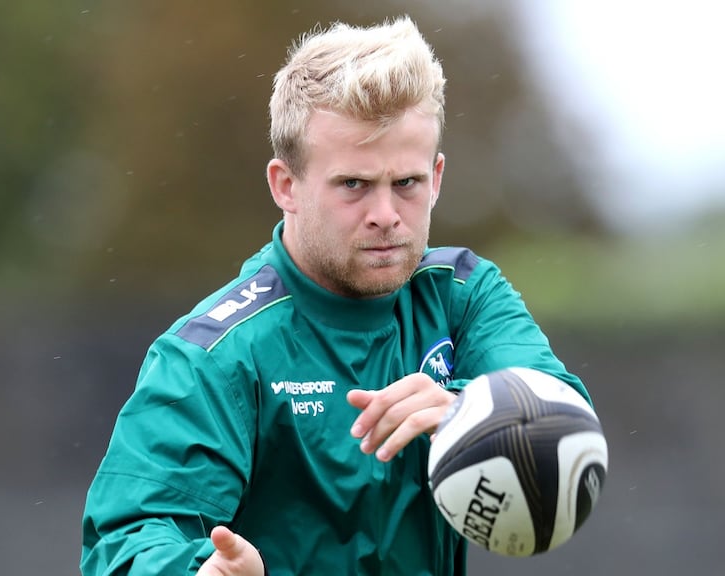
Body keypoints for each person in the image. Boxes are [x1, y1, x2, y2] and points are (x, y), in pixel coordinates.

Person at [81, 15, 591, 576]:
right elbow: (126, 540)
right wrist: (197, 573)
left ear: (437, 177)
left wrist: (474, 416)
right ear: (285, 186)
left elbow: (569, 434)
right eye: (354, 184)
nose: (385, 215)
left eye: (407, 184)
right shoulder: (214, 356)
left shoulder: (463, 296)